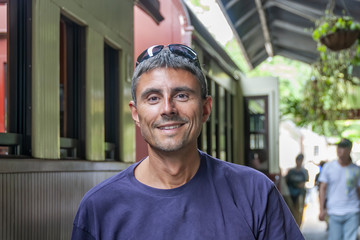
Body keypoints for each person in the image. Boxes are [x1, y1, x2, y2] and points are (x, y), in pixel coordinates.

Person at [71, 44, 303, 239]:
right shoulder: (99, 208)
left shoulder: (255, 193)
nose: (167, 109)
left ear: (205, 109)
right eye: (153, 98)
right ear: (136, 114)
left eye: (182, 95)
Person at [318, 138, 360, 240]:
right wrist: (321, 210)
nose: (340, 150)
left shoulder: (356, 170)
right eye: (339, 147)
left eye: (343, 147)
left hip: (352, 210)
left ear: (349, 150)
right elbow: (322, 189)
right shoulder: (328, 167)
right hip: (334, 211)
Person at [285, 153, 309, 226]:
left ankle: (299, 224)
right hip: (291, 193)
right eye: (298, 160)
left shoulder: (304, 171)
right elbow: (287, 181)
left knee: (299, 210)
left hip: (300, 193)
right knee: (291, 209)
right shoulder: (291, 171)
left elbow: (305, 181)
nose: (299, 162)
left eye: (300, 160)